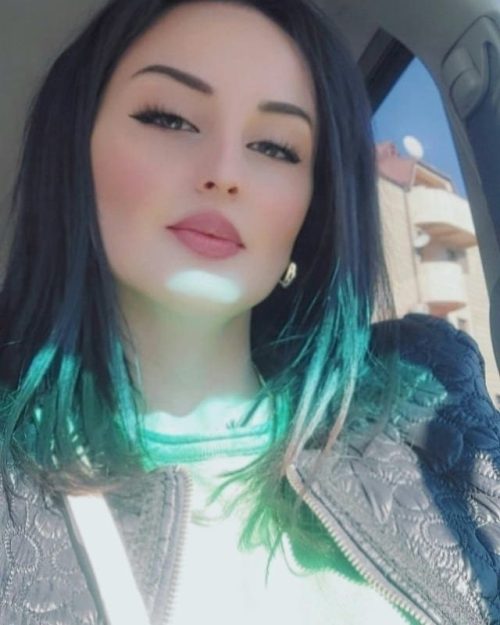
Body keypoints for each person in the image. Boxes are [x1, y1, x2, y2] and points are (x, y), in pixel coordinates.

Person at [0, 0, 499, 623]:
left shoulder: (430, 404)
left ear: (314, 208)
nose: (224, 173)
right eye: (169, 118)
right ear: (75, 149)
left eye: (276, 147)